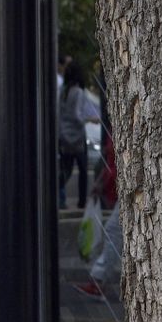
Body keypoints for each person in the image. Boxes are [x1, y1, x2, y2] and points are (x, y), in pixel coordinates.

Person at [58, 60, 101, 211]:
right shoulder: (79, 92)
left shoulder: (64, 91)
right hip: (77, 136)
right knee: (83, 169)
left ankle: (58, 194)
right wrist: (91, 119)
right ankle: (82, 202)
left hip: (64, 135)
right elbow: (77, 115)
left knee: (66, 169)